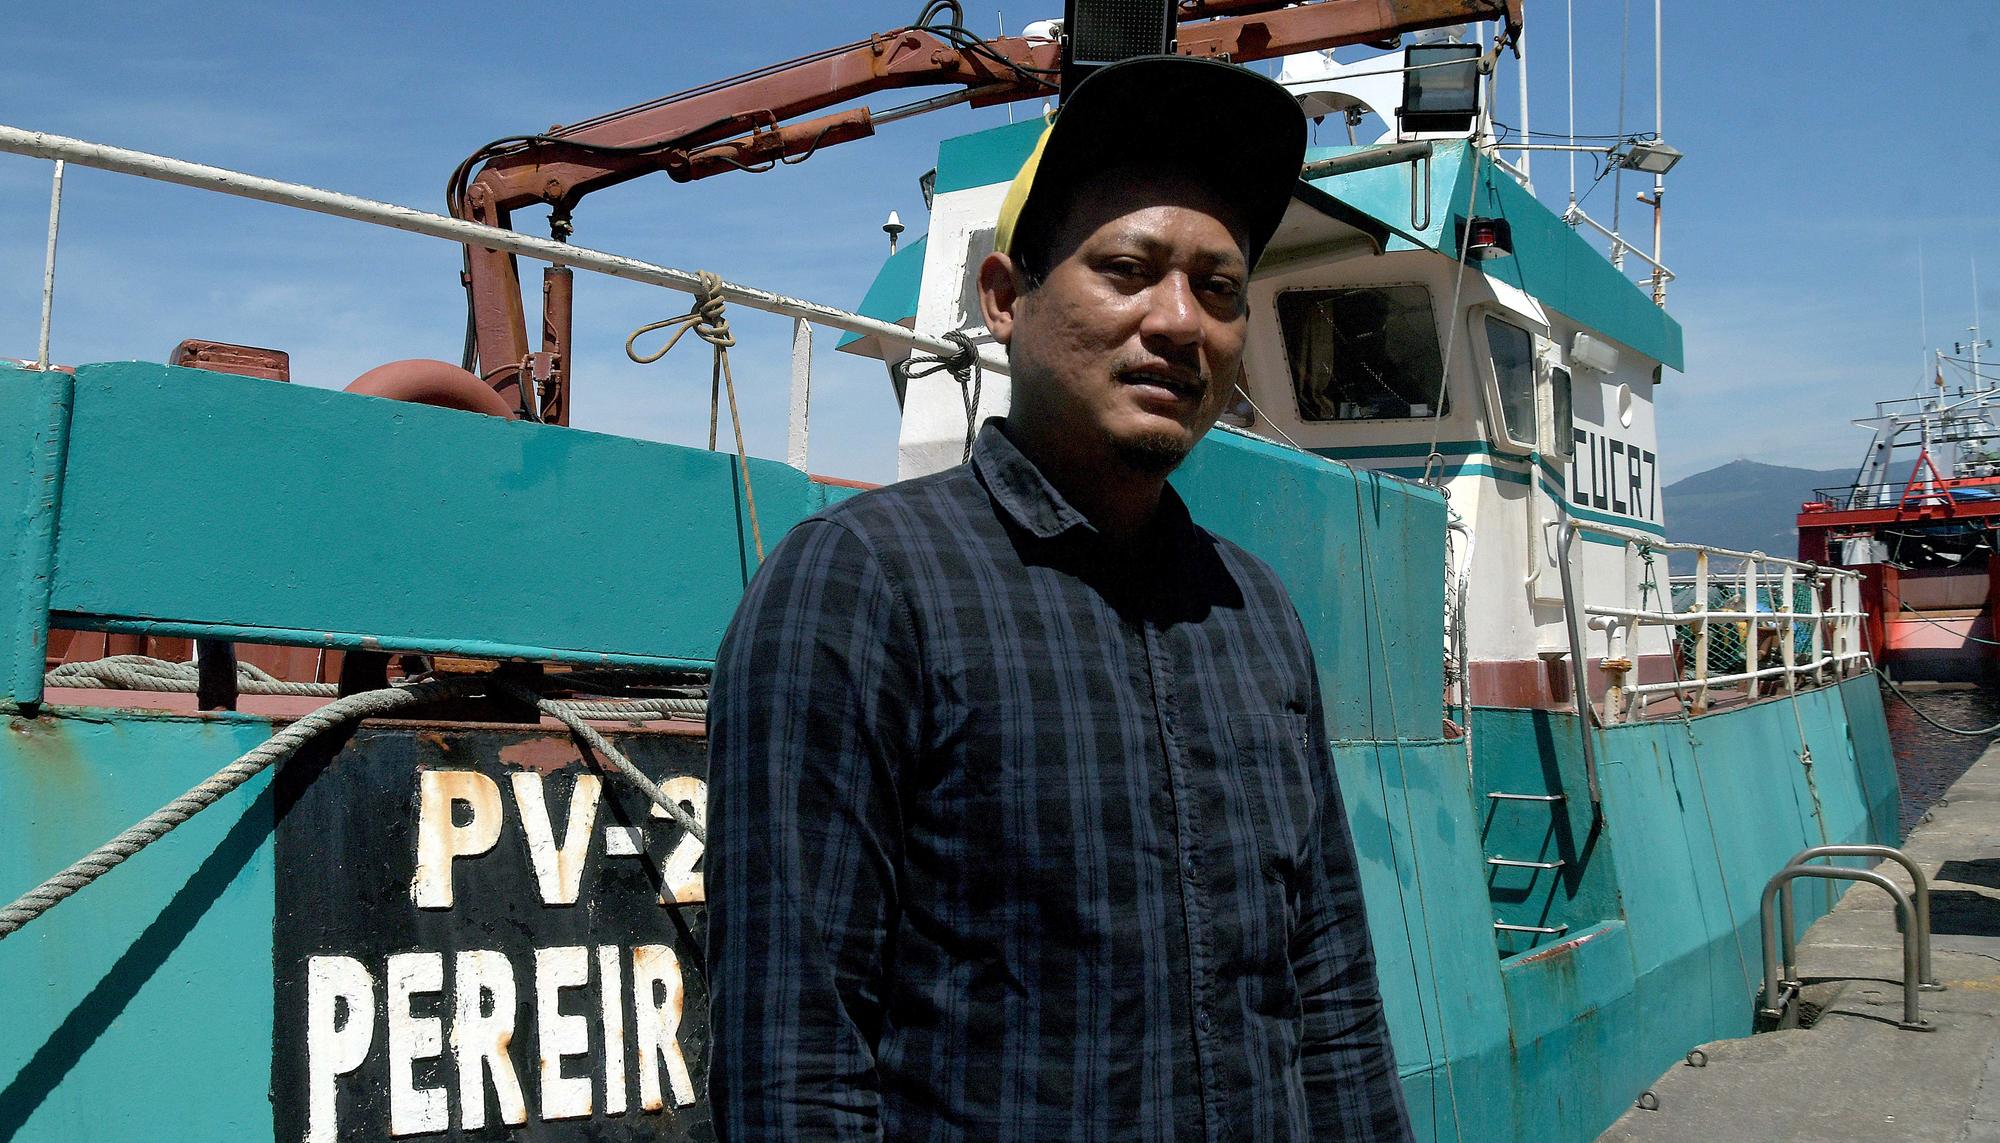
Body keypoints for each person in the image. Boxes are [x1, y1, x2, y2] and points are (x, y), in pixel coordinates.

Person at [708, 54, 1411, 1142]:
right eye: (1128, 270)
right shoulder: (861, 588)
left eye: (1218, 288)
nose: (1180, 322)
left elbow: (1328, 1001)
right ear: (1005, 299)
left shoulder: (1253, 611)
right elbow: (796, 1062)